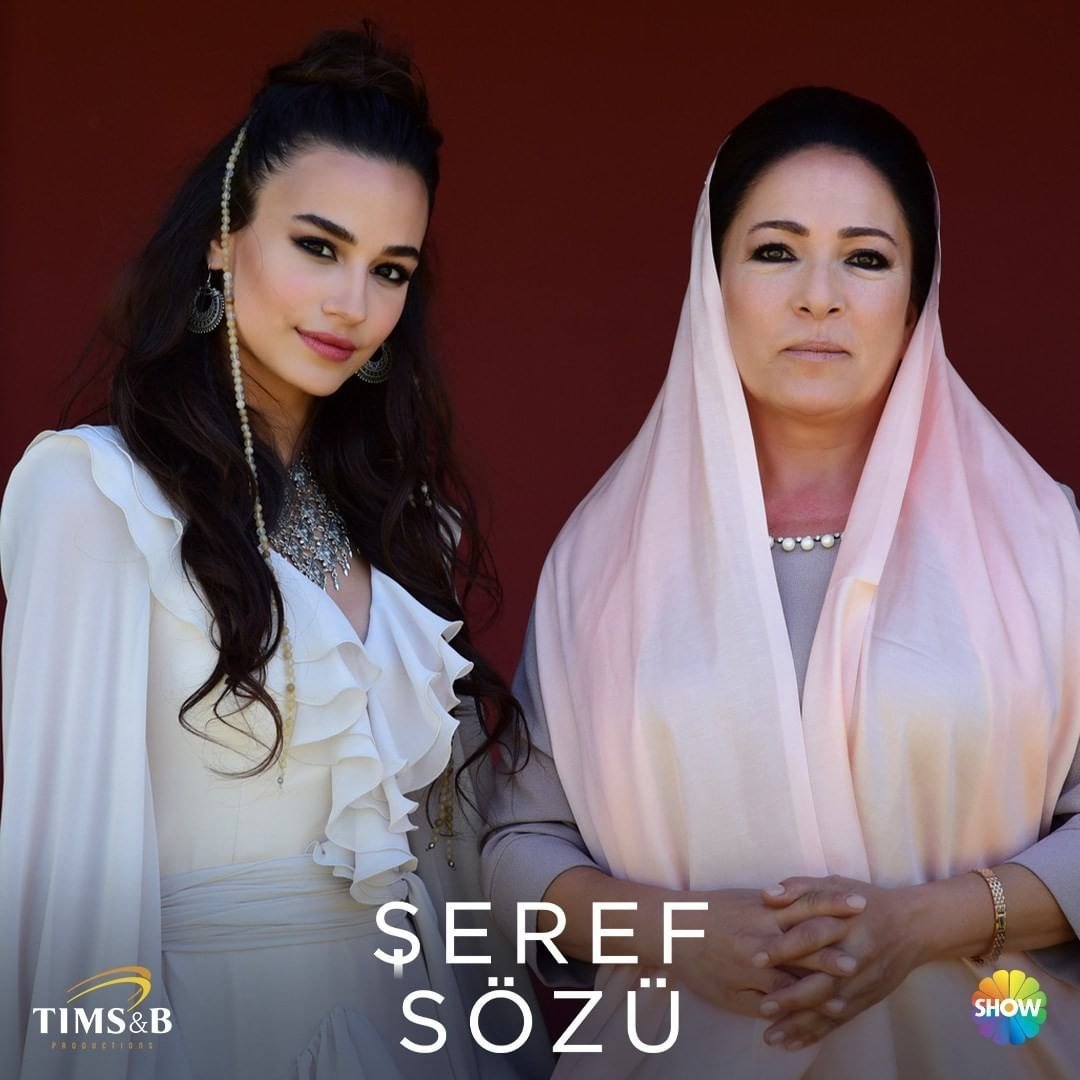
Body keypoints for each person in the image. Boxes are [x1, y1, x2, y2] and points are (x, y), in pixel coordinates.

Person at [480, 87, 1080, 1077]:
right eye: (774, 251)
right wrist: (681, 937)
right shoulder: (607, 558)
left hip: (986, 1043)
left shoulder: (1042, 541)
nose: (819, 296)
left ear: (917, 297)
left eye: (866, 258)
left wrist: (925, 924)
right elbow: (517, 847)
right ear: (710, 280)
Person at [0, 25, 549, 1080]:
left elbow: (444, 874)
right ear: (222, 238)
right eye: (318, 247)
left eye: (391, 270)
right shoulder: (97, 496)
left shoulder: (410, 527)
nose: (354, 304)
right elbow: (69, 886)